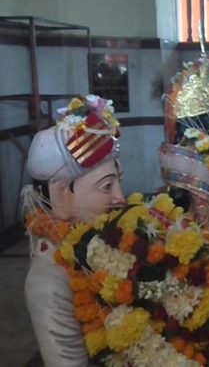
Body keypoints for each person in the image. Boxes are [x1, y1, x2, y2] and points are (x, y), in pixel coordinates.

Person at [23, 95, 126, 366]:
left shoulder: (103, 240)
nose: (121, 198)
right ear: (61, 196)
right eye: (106, 186)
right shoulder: (49, 281)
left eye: (118, 183)